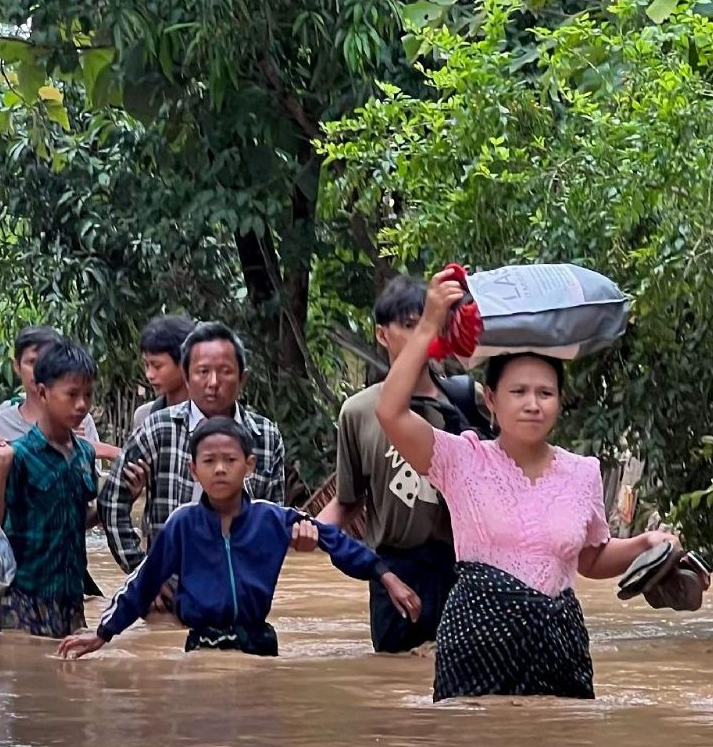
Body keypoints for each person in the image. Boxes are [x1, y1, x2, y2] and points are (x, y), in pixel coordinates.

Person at [374, 268, 695, 701]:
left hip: (559, 646)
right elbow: (390, 412)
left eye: (545, 393)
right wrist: (429, 324)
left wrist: (642, 545)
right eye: (518, 391)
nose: (532, 404)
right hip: (476, 643)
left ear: (560, 402)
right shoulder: (460, 458)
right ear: (490, 399)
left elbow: (591, 559)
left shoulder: (582, 472)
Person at [59, 418, 421, 658]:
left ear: (248, 466)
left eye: (230, 460)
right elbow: (143, 582)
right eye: (209, 461)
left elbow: (337, 541)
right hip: (201, 644)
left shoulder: (272, 518)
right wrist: (103, 633)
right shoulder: (182, 525)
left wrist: (386, 576)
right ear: (193, 470)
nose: (219, 468)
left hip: (259, 643)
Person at [317, 276, 487, 655]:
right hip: (393, 572)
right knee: (394, 684)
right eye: (409, 325)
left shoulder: (466, 399)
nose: (419, 336)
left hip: (460, 566)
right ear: (382, 335)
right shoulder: (359, 412)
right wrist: (304, 533)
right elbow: (349, 500)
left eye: (426, 324)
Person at [100, 321, 286, 576]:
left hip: (238, 595)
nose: (213, 382)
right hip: (171, 592)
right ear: (187, 376)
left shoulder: (266, 438)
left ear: (243, 378)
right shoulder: (158, 428)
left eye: (225, 371)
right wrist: (144, 575)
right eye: (203, 372)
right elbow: (111, 501)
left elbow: (272, 524)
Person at [0, 340, 101, 638]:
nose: (82, 404)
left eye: (87, 395)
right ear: (43, 393)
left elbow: (75, 522)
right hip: (23, 597)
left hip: (71, 597)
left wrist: (113, 503)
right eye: (71, 395)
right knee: (27, 678)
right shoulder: (17, 455)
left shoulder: (85, 454)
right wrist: (0, 471)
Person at [0, 326, 121, 487]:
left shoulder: (81, 419)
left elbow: (88, 492)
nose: (39, 370)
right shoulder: (0, 423)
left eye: (48, 362)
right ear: (17, 366)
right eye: (32, 362)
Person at [132, 314, 197, 429]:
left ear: (184, 363)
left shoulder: (207, 415)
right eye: (146, 365)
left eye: (157, 366)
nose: (149, 375)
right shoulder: (144, 416)